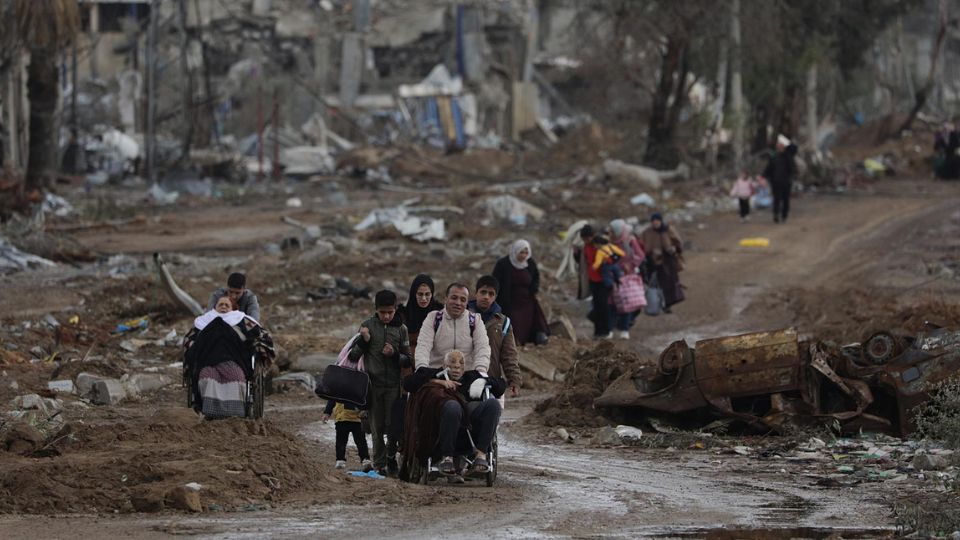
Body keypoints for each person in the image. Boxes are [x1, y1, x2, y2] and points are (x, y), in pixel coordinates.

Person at [403, 350, 505, 479]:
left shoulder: (471, 377)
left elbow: (501, 385)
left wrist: (485, 382)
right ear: (445, 365)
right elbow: (408, 383)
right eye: (453, 365)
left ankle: (481, 455)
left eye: (460, 365)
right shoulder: (433, 374)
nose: (457, 368)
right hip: (440, 427)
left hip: (470, 429)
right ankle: (447, 458)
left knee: (493, 405)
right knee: (453, 406)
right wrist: (438, 382)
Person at [348, 290, 411, 476]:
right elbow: (352, 356)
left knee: (393, 427)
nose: (386, 316)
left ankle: (391, 458)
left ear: (395, 310)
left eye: (390, 312)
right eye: (382, 312)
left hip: (393, 386)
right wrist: (365, 341)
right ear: (376, 310)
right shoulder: (367, 326)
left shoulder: (401, 329)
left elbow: (408, 359)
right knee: (376, 427)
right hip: (373, 386)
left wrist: (394, 355)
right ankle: (380, 463)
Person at [185, 296, 275, 418]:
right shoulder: (203, 322)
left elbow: (262, 336)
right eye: (220, 304)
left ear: (233, 308)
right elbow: (188, 340)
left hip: (233, 361)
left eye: (227, 305)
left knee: (236, 377)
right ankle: (209, 412)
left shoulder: (241, 320)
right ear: (214, 308)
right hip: (207, 362)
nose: (223, 306)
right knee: (206, 376)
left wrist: (258, 347)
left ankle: (234, 414)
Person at [414, 282, 491, 373]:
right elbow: (423, 345)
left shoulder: (475, 320)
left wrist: (481, 371)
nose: (458, 303)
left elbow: (482, 347)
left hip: (466, 376)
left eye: (463, 300)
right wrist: (422, 368)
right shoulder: (433, 318)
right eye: (454, 298)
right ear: (446, 298)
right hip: (437, 375)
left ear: (467, 303)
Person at [467, 275, 521, 399]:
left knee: (491, 413)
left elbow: (509, 355)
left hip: (491, 381)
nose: (486, 297)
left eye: (491, 294)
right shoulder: (463, 316)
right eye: (483, 292)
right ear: (476, 293)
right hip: (465, 378)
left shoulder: (503, 322)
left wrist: (514, 380)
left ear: (495, 297)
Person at [491, 239, 549, 346]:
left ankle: (539, 335)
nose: (524, 255)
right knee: (514, 320)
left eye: (526, 253)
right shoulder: (503, 264)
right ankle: (513, 340)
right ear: (515, 251)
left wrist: (534, 289)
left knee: (536, 314)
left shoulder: (529, 263)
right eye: (521, 252)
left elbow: (536, 277)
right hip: (509, 299)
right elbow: (495, 281)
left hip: (527, 298)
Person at [608, 219, 646, 339]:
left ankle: (625, 329)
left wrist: (629, 265)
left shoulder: (629, 240)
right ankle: (611, 328)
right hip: (612, 276)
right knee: (612, 303)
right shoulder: (609, 242)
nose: (611, 233)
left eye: (613, 231)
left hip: (627, 277)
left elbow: (640, 255)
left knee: (627, 303)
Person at [640, 213, 684, 313]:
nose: (655, 223)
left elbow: (678, 243)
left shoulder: (668, 229)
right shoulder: (647, 232)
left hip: (667, 261)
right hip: (652, 262)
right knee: (654, 284)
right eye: (653, 221)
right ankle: (657, 304)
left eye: (657, 221)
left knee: (669, 283)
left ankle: (667, 304)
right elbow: (642, 245)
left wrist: (674, 250)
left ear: (660, 221)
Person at [322, 399, 373, 472]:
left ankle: (365, 459)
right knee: (341, 441)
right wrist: (327, 412)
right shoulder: (338, 388)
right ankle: (340, 459)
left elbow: (365, 397)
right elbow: (332, 399)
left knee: (360, 441)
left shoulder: (359, 387)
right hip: (342, 417)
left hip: (357, 418)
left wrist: (366, 410)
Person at [400, 274, 443, 352]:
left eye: (427, 294)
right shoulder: (402, 314)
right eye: (420, 294)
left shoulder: (440, 314)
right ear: (414, 294)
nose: (423, 298)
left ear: (432, 294)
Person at [762, 134, 798, 224]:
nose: (778, 146)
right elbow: (768, 168)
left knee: (785, 199)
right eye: (778, 144)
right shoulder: (774, 156)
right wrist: (763, 176)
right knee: (776, 199)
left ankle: (784, 215)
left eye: (780, 144)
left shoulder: (788, 156)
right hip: (775, 181)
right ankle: (776, 215)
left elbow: (794, 148)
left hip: (786, 181)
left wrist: (786, 142)